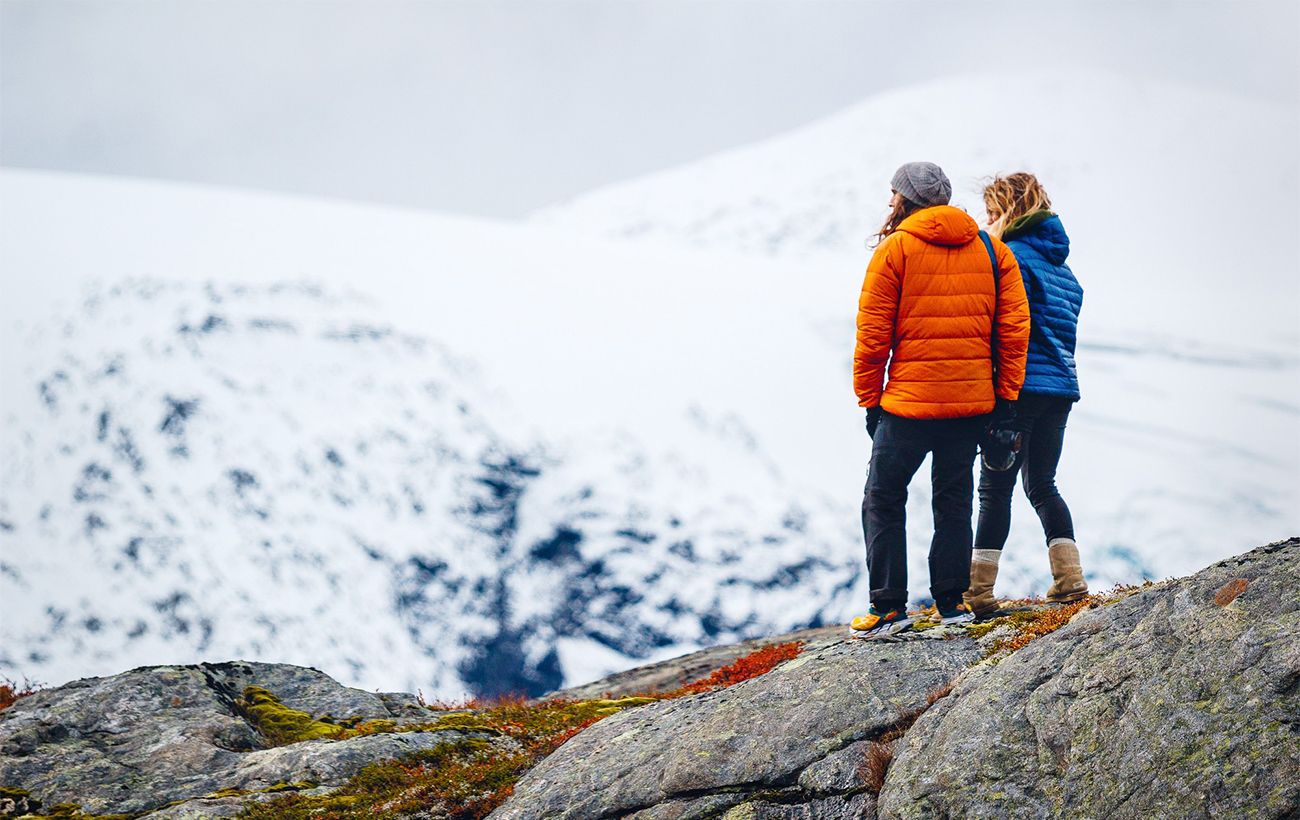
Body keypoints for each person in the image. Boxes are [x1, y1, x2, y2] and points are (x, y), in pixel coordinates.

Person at [850, 162, 1031, 638]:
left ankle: (889, 607)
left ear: (905, 199)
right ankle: (951, 603)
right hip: (971, 405)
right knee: (953, 500)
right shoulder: (991, 249)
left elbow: (873, 336)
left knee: (883, 498)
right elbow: (1014, 332)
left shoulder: (896, 249)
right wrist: (1005, 398)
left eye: (893, 193)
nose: (889, 200)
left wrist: (870, 401)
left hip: (907, 406)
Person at [965, 173, 1087, 617]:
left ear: (1008, 211)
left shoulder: (1010, 256)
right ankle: (1070, 579)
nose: (987, 221)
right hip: (1060, 389)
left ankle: (978, 591)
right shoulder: (1064, 270)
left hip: (1019, 389)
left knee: (994, 490)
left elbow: (1003, 324)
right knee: (1042, 484)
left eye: (991, 213)